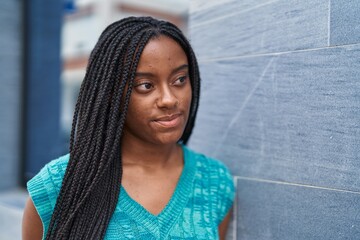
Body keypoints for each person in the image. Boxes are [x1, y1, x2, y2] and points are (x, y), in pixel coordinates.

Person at [22, 16, 235, 240]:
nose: (169, 99)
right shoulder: (58, 185)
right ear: (111, 94)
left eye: (180, 80)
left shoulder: (214, 181)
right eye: (146, 85)